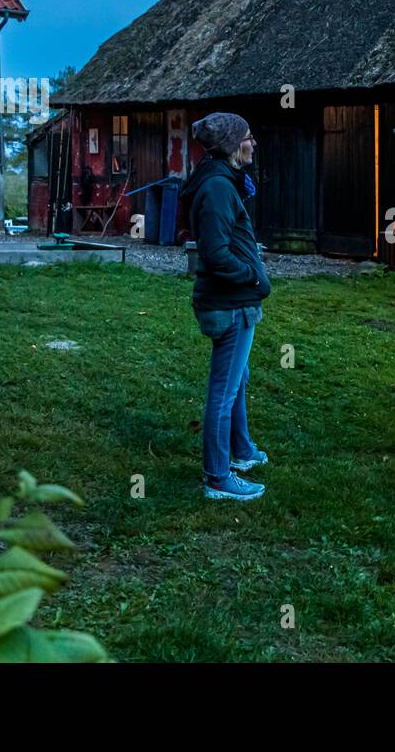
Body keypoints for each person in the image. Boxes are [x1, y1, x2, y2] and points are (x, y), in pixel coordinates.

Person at [179, 112, 272, 501]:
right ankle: (218, 477)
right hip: (231, 304)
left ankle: (243, 450)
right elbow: (215, 253)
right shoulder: (217, 187)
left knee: (238, 379)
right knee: (223, 391)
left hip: (233, 301)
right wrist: (252, 277)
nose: (254, 143)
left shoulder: (221, 178)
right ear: (234, 145)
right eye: (249, 137)